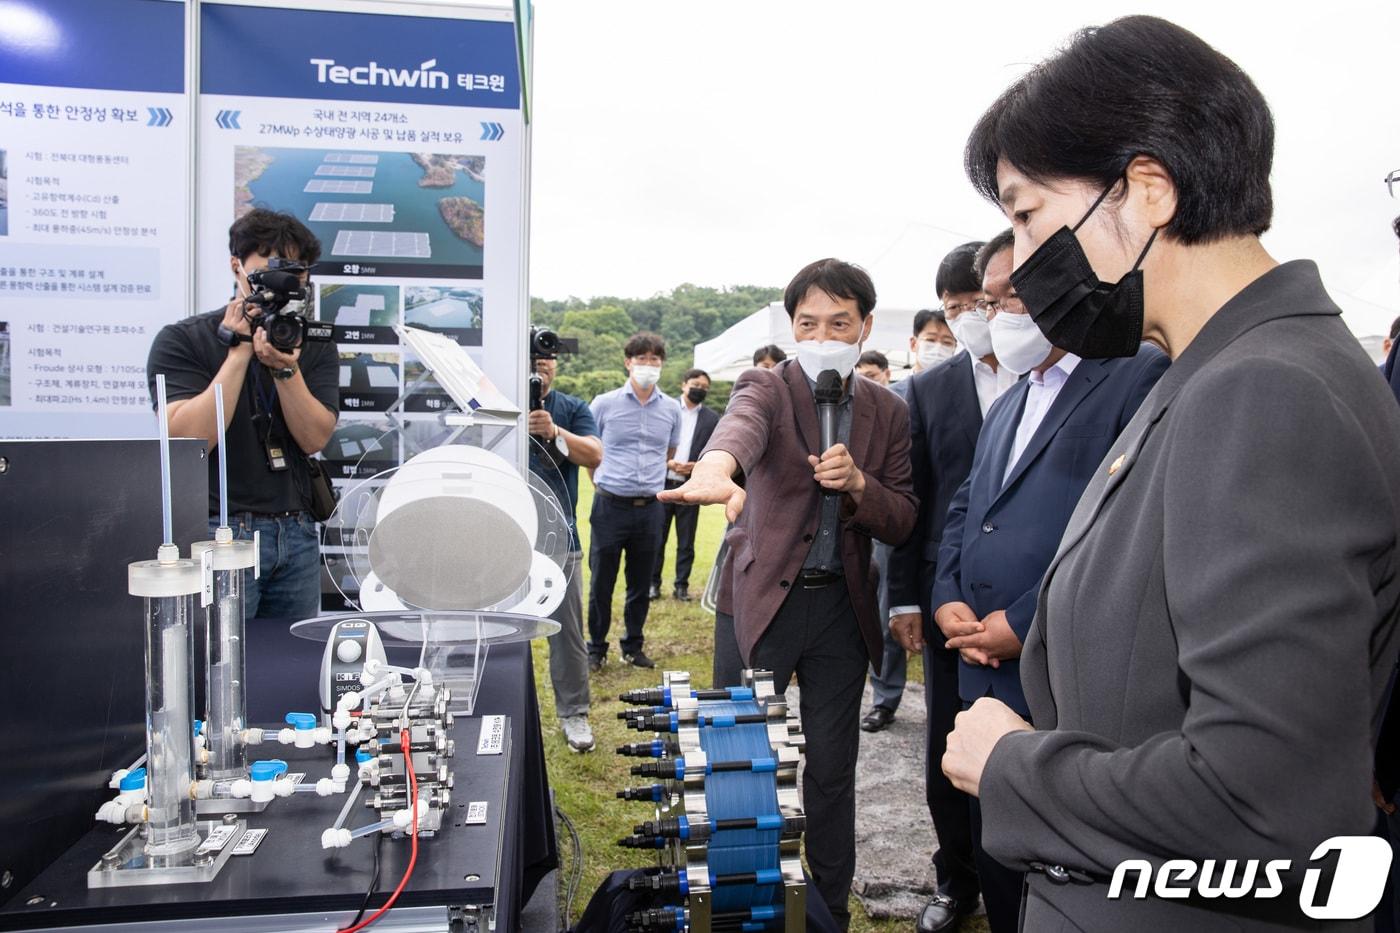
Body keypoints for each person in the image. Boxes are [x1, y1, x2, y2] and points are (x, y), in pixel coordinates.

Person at [942, 16, 1400, 930]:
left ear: (1147, 190)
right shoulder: (1204, 369)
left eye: (1029, 214)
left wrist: (1014, 767)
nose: (1024, 266)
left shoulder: (1264, 391)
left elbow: (1268, 806)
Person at [660, 258, 917, 929]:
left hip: (841, 610)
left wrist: (860, 485)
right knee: (742, 760)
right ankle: (739, 897)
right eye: (808, 322)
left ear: (864, 325)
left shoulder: (888, 411)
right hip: (762, 602)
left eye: (838, 321)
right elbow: (738, 429)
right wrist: (717, 469)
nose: (823, 334)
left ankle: (828, 907)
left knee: (832, 770)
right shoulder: (766, 387)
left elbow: (902, 514)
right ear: (792, 326)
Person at [929, 230, 1168, 932]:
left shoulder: (1137, 375)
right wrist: (948, 595)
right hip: (980, 674)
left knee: (1069, 872)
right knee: (1000, 857)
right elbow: (969, 507)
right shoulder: (1009, 400)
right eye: (990, 301)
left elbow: (1127, 527)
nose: (1002, 314)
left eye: (1016, 295)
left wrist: (1024, 622)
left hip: (1065, 675)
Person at [884, 241, 1005, 932]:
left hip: (1031, 595)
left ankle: (1023, 870)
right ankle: (956, 877)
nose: (969, 319)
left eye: (980, 305)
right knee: (946, 743)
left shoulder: (1051, 375)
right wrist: (905, 595)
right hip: (946, 593)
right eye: (956, 308)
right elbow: (915, 496)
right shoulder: (929, 388)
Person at [147, 208, 338, 621]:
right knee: (221, 661)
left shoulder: (311, 342)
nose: (283, 282)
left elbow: (315, 438)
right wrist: (240, 351)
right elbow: (186, 440)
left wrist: (286, 368)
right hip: (219, 533)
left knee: (290, 664)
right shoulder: (185, 339)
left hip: (298, 533)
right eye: (268, 269)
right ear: (237, 266)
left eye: (295, 272)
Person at [861, 306, 963, 737]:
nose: (938, 347)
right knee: (890, 606)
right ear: (913, 343)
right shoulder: (894, 396)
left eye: (947, 339)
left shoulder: (965, 392)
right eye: (931, 338)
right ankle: (886, 697)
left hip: (945, 521)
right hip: (897, 517)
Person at [587, 333, 680, 671]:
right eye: (641, 358)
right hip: (610, 505)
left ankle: (633, 646)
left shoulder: (671, 409)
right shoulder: (604, 403)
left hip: (651, 508)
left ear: (662, 365)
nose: (648, 365)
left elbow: (668, 452)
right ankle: (595, 648)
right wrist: (601, 484)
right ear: (628, 362)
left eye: (654, 359)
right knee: (601, 583)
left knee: (641, 584)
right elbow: (590, 452)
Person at [527, 355, 604, 752]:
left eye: (546, 359)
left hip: (561, 538)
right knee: (500, 634)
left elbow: (594, 453)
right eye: (532, 358)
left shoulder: (572, 407)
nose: (540, 366)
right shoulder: (499, 401)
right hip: (504, 538)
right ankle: (507, 712)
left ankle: (574, 713)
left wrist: (556, 431)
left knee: (569, 633)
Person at [650, 368, 719, 602]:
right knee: (658, 537)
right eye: (696, 384)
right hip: (663, 482)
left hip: (692, 485)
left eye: (705, 387)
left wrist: (695, 466)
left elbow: (713, 448)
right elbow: (654, 441)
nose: (700, 389)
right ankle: (653, 584)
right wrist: (667, 462)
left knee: (686, 540)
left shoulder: (711, 418)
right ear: (684, 384)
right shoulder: (666, 409)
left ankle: (681, 586)